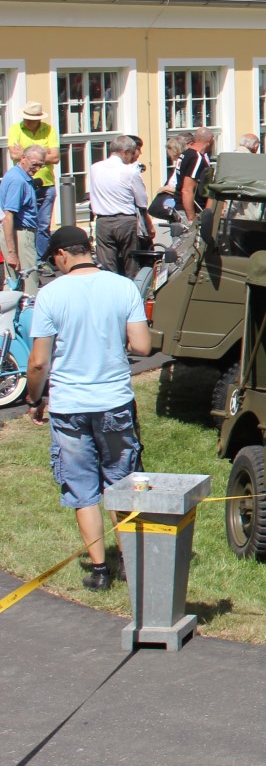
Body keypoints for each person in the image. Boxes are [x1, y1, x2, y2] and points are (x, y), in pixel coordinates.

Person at [24, 225, 152, 591]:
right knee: (121, 482)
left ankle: (99, 570)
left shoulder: (50, 295)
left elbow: (37, 363)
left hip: (69, 406)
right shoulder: (123, 286)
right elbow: (142, 346)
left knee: (82, 489)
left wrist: (35, 398)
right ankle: (129, 561)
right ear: (88, 248)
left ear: (61, 256)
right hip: (114, 400)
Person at [86, 135, 152, 279]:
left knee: (107, 265)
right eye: (133, 152)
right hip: (125, 221)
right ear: (125, 152)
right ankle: (132, 293)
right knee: (131, 263)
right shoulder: (129, 171)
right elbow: (142, 201)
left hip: (103, 221)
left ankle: (111, 293)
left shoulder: (95, 168)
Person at [9, 101, 60, 260]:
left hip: (46, 184)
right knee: (22, 224)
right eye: (25, 118)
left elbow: (56, 157)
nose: (27, 121)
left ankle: (39, 260)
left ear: (39, 119)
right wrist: (43, 153)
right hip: (24, 184)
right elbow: (14, 155)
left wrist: (27, 154)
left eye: (31, 119)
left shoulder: (49, 130)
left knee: (43, 225)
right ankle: (25, 258)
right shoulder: (16, 128)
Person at [2, 146, 45, 295]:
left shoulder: (19, 176)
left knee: (14, 282)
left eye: (41, 165)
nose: (37, 168)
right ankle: (30, 316)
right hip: (19, 233)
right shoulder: (17, 180)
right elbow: (8, 217)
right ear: (23, 158)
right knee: (29, 280)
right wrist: (12, 252)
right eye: (34, 164)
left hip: (19, 233)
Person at [173, 125, 215, 227]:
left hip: (180, 207)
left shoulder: (186, 154)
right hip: (188, 211)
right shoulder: (196, 158)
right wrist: (191, 219)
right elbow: (187, 190)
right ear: (209, 140)